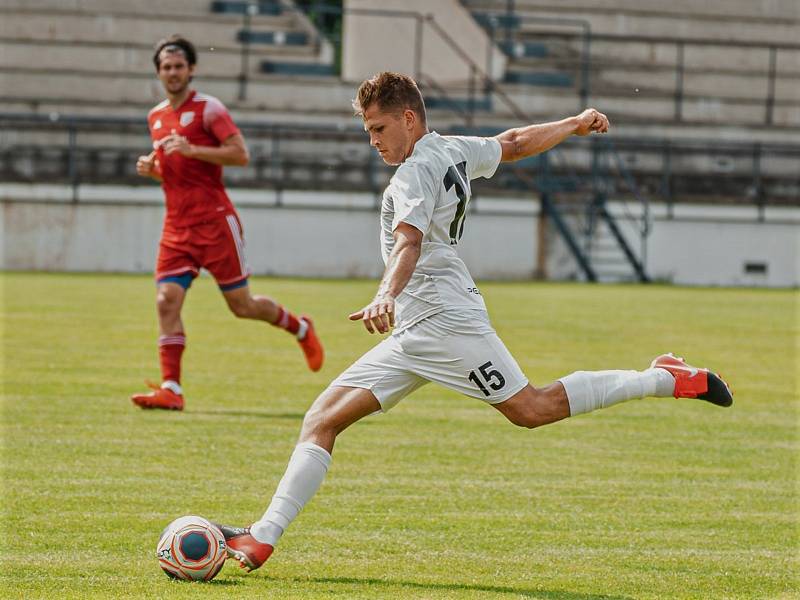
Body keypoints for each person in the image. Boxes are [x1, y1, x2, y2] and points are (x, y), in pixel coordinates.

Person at [213, 72, 733, 570]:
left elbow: (409, 241)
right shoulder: (451, 147)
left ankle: (663, 378)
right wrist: (573, 123)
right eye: (367, 130)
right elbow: (513, 143)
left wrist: (384, 294)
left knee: (532, 408)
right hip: (420, 327)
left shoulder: (414, 171)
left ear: (409, 119)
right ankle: (263, 537)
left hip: (444, 322)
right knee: (323, 419)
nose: (372, 141)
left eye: (379, 128)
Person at [131, 35, 323, 411]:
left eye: (178, 66)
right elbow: (177, 173)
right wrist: (153, 170)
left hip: (216, 223)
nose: (172, 73)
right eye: (166, 67)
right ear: (158, 72)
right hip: (176, 228)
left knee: (242, 306)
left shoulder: (209, 109)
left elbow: (241, 154)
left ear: (191, 69)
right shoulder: (155, 116)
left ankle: (300, 327)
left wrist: (193, 149)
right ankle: (172, 388)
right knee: (166, 300)